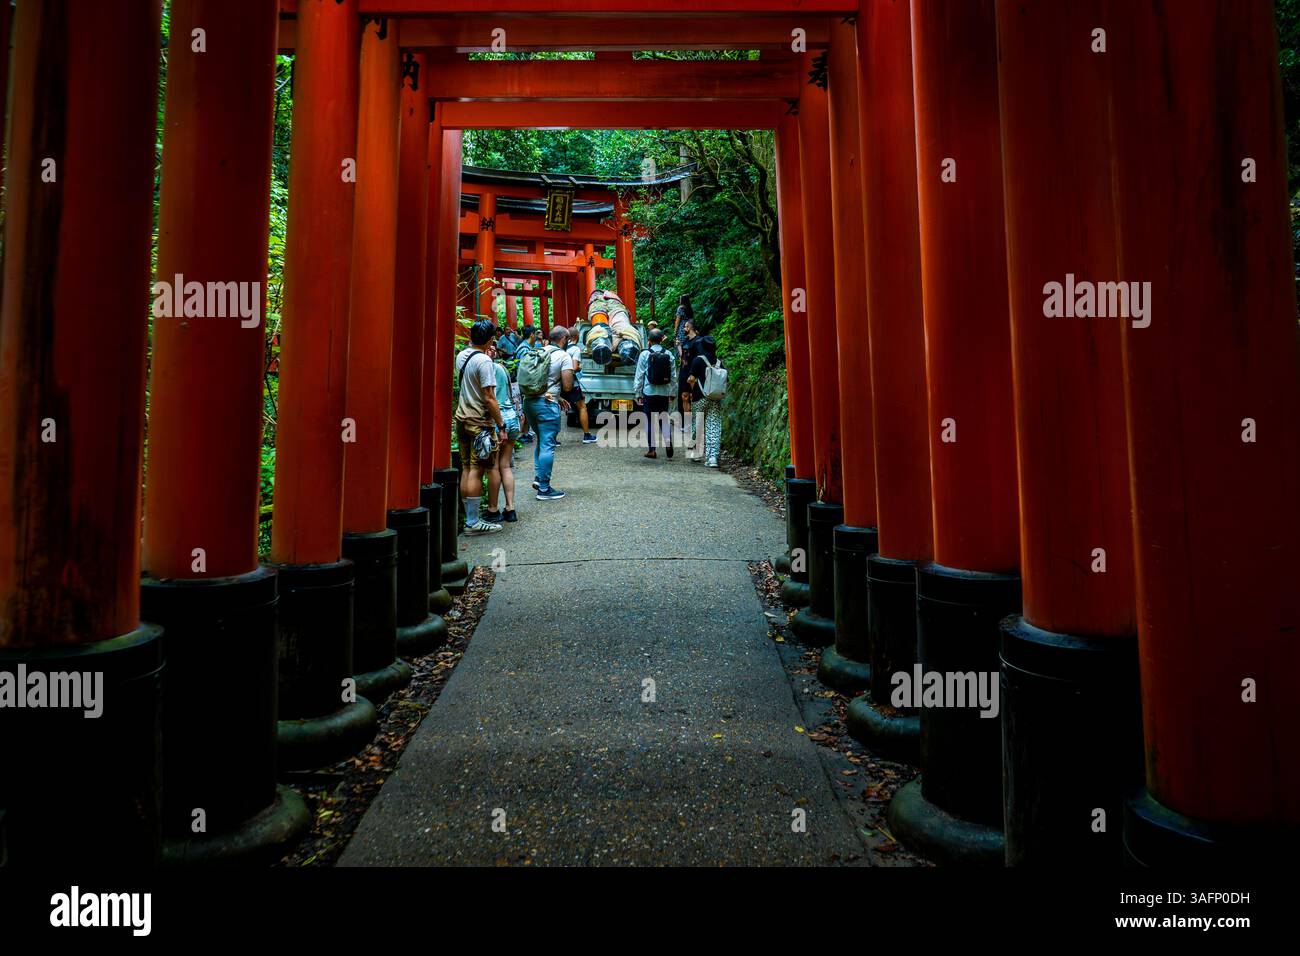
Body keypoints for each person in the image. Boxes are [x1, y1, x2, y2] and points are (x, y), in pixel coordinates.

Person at [455, 319, 507, 533]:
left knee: (467, 468)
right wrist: (501, 425)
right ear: (490, 340)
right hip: (479, 421)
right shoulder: (484, 362)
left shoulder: (462, 356)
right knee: (477, 470)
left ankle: (469, 518)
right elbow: (489, 397)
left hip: (462, 417)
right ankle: (473, 522)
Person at [519, 325, 575, 501]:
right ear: (564, 339)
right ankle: (544, 488)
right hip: (546, 404)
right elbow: (567, 386)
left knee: (541, 441)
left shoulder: (538, 351)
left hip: (529, 402)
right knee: (548, 444)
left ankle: (538, 477)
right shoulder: (564, 356)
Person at [484, 343, 520, 523]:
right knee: (505, 466)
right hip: (512, 417)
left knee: (494, 467)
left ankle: (492, 509)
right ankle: (510, 508)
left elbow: (489, 399)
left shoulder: (485, 369)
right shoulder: (502, 368)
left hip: (499, 420)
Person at [633, 327, 677, 459]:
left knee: (649, 421)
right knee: (664, 419)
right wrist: (673, 392)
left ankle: (652, 450)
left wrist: (638, 394)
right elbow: (673, 376)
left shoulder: (644, 354)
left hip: (649, 392)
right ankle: (668, 443)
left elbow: (639, 376)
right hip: (663, 392)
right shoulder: (669, 354)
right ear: (661, 340)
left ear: (649, 341)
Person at [686, 335, 724, 468]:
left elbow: (691, 379)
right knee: (713, 426)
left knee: (698, 425)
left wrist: (692, 389)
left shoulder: (698, 360)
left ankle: (695, 453)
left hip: (699, 398)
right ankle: (712, 458)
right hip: (715, 398)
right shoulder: (719, 362)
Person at [564, 332, 598, 444]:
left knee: (556, 407)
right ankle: (587, 435)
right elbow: (574, 367)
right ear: (577, 337)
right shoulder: (576, 349)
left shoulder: (563, 348)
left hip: (561, 382)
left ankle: (552, 439)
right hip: (572, 383)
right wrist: (580, 367)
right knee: (582, 407)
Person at [678, 319, 702, 449]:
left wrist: (695, 374)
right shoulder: (685, 341)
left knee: (693, 398)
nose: (684, 328)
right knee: (684, 397)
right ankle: (687, 424)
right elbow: (683, 356)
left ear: (691, 328)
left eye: (686, 326)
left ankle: (694, 424)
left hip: (693, 374)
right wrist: (678, 347)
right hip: (683, 372)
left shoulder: (698, 341)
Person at [513, 324, 538, 444]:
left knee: (527, 408)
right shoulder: (524, 349)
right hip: (524, 383)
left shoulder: (525, 347)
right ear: (532, 334)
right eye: (536, 334)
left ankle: (525, 433)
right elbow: (525, 369)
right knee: (525, 409)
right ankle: (523, 433)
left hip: (524, 383)